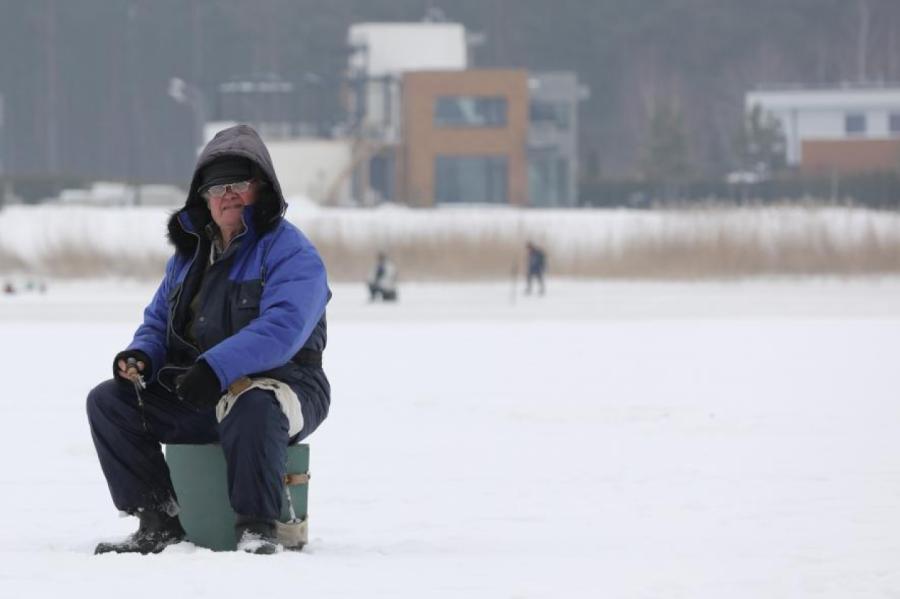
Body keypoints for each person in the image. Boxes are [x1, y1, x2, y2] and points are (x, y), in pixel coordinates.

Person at [87, 125, 331, 555]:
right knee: (110, 401)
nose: (228, 195)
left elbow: (282, 329)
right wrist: (141, 357)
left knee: (253, 404)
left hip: (286, 386)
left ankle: (256, 530)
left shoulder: (292, 252)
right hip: (201, 389)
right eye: (217, 188)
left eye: (239, 184)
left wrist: (215, 368)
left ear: (262, 188)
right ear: (203, 199)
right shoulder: (187, 257)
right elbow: (158, 321)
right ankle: (157, 522)